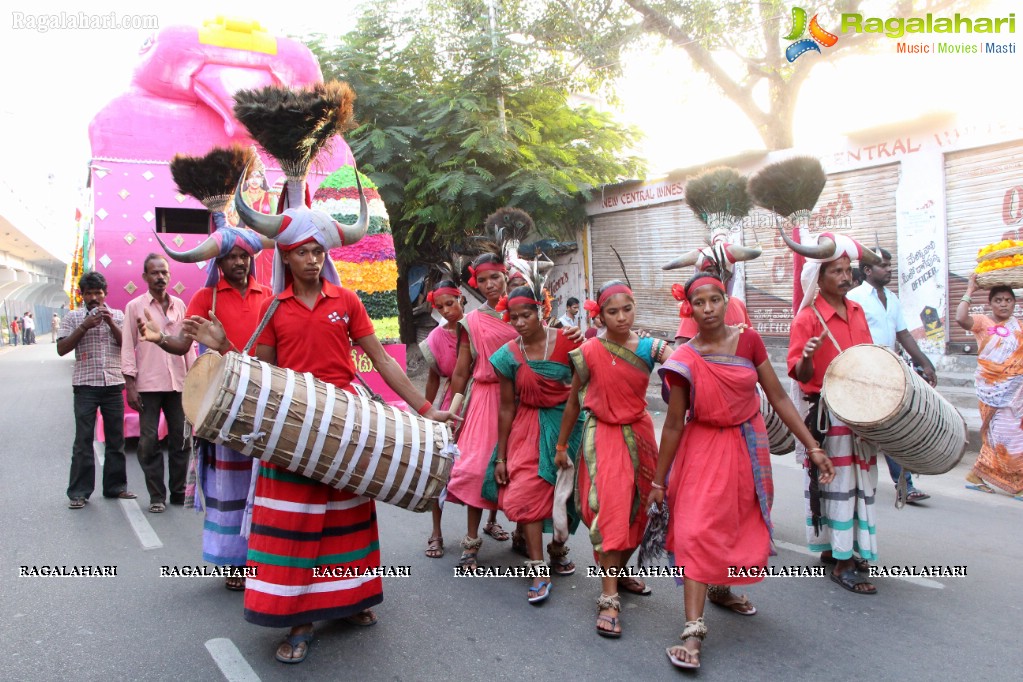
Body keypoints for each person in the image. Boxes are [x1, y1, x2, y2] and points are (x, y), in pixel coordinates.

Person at [191, 225, 456, 665]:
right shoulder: (275, 308)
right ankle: (299, 621)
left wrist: (426, 410)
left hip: (344, 426)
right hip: (291, 427)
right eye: (302, 253)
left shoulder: (347, 300)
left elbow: (383, 359)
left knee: (346, 520)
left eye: (318, 251)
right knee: (295, 526)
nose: (313, 260)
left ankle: (351, 601)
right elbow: (263, 376)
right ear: (287, 260)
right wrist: (226, 349)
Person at [651, 273, 834, 670]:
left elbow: (779, 396)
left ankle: (720, 588)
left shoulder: (748, 340)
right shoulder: (684, 358)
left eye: (715, 300)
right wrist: (657, 481)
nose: (709, 309)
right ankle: (692, 632)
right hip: (702, 448)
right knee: (696, 530)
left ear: (725, 301)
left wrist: (813, 446)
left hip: (748, 445)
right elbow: (674, 423)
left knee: (735, 523)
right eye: (699, 303)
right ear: (690, 309)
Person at [144, 227, 273, 589]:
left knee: (262, 482)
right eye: (231, 256)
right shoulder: (206, 297)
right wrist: (159, 339)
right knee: (228, 485)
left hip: (262, 400)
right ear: (219, 262)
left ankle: (263, 556)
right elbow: (182, 344)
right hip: (221, 404)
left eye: (244, 256)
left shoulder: (270, 295)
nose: (239, 262)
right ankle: (234, 563)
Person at [555, 280, 671, 638]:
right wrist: (561, 446)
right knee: (611, 511)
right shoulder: (588, 350)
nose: (621, 317)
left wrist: (728, 334)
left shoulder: (652, 347)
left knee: (641, 510)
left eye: (627, 309)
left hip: (641, 436)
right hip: (603, 437)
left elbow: (690, 364)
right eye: (612, 311)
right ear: (599, 314)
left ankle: (620, 573)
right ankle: (608, 598)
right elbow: (574, 401)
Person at [787, 236, 881, 595]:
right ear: (818, 279)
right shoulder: (807, 319)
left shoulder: (857, 311)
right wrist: (809, 356)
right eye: (836, 271)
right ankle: (842, 561)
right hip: (828, 414)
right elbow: (801, 374)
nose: (845, 277)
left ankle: (840, 548)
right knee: (840, 485)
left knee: (860, 483)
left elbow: (869, 357)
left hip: (860, 412)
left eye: (847, 270)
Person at [488, 282, 582, 603]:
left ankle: (557, 547)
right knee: (527, 491)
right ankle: (537, 567)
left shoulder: (569, 342)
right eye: (513, 317)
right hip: (527, 427)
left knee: (569, 494)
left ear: (541, 311)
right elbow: (505, 407)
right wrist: (500, 457)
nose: (519, 322)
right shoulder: (507, 356)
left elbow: (590, 377)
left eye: (526, 315)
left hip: (567, 425)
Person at [447, 252, 521, 567]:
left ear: (506, 277)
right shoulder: (472, 321)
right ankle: (471, 541)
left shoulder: (526, 313)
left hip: (522, 401)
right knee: (476, 469)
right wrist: (452, 412)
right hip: (485, 401)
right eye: (483, 280)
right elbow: (461, 373)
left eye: (495, 277)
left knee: (521, 471)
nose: (490, 285)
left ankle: (523, 533)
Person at [847, 247, 937, 505]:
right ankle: (857, 482)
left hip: (890, 370)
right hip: (863, 371)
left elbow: (904, 334)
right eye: (883, 265)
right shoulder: (854, 298)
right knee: (872, 428)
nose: (888, 269)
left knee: (892, 426)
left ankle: (905, 485)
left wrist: (925, 364)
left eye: (889, 265)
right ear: (867, 270)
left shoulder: (892, 298)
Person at [122, 254, 195, 514]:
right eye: (154, 273)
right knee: (148, 441)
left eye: (164, 272)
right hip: (148, 385)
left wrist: (194, 380)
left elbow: (188, 346)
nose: (160, 277)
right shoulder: (135, 307)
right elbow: (128, 346)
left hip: (179, 384)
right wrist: (129, 384)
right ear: (145, 277)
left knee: (181, 440)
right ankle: (156, 495)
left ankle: (177, 492)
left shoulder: (180, 305)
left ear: (169, 275)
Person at [58, 271, 136, 508]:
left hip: (112, 384)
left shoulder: (119, 315)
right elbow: (62, 348)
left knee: (116, 439)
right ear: (82, 295)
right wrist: (84, 325)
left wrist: (110, 321)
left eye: (98, 293)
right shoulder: (72, 317)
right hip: (85, 386)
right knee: (83, 441)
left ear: (105, 294)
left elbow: (127, 345)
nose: (94, 297)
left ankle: (115, 487)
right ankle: (79, 492)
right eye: (89, 293)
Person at [419, 277, 477, 558]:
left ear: (461, 298)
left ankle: (486, 525)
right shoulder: (435, 338)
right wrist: (426, 412)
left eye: (450, 303)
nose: (446, 310)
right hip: (448, 405)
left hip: (480, 403)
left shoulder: (478, 327)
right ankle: (436, 532)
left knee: (483, 466)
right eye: (440, 307)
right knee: (440, 467)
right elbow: (432, 379)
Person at [956, 273, 1023, 498]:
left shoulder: (1018, 327)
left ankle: (977, 475)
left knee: (1002, 436)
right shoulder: (983, 322)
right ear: (990, 303)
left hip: (1015, 394)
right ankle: (1018, 484)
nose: (1003, 304)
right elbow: (960, 319)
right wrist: (969, 290)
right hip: (992, 392)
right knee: (1008, 436)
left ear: (1015, 302)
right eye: (998, 300)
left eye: (1008, 300)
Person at [674, 262, 751, 345]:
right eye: (710, 270)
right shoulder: (695, 310)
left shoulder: (739, 304)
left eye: (715, 300)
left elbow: (749, 337)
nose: (708, 309)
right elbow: (680, 347)